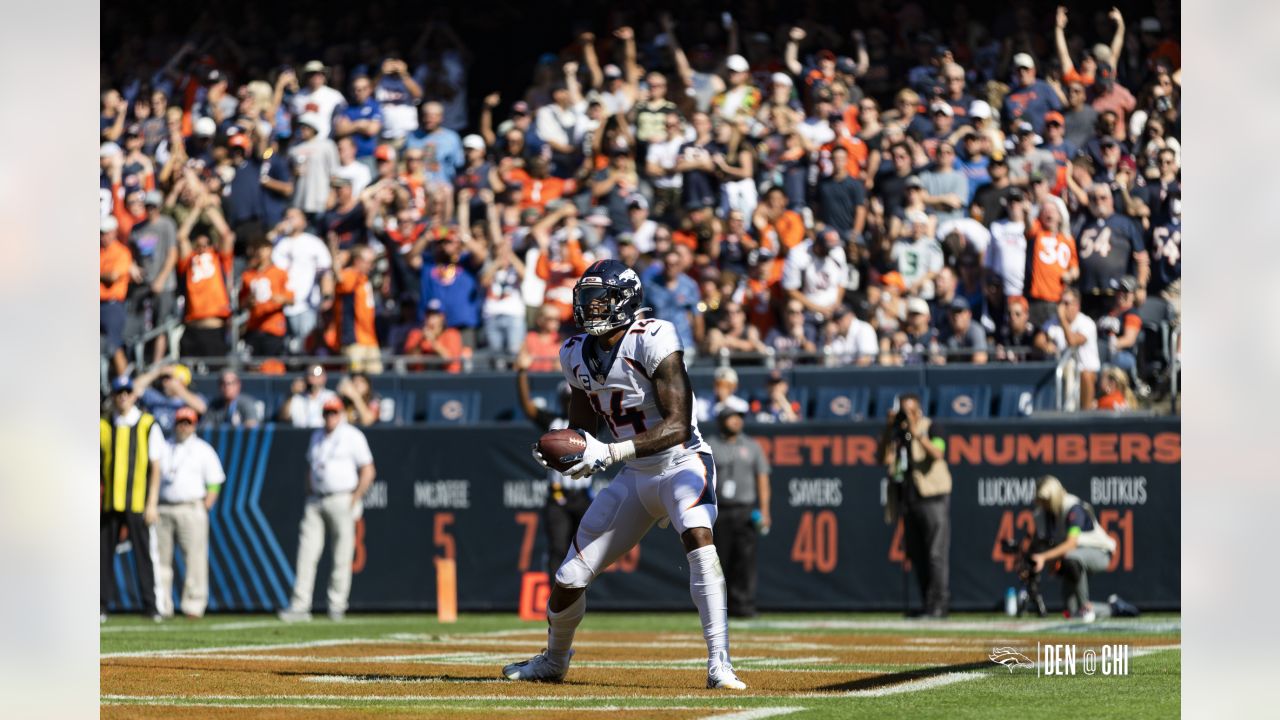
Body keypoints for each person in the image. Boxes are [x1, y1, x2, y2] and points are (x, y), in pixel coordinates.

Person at [506, 259, 746, 690]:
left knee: (698, 539)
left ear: (625, 300)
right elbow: (585, 430)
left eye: (600, 301)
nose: (590, 309)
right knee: (569, 577)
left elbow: (676, 423)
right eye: (586, 300)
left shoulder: (654, 337)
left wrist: (610, 451)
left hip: (682, 463)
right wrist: (572, 453)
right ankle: (555, 661)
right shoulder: (574, 352)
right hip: (635, 475)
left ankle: (719, 662)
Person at [279, 396, 376, 622]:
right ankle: (300, 606)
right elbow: (310, 467)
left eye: (333, 412)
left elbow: (368, 470)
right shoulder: (317, 436)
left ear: (341, 413)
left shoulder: (352, 436)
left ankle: (337, 606)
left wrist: (355, 497)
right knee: (306, 554)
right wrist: (309, 491)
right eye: (326, 412)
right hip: (316, 500)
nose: (329, 416)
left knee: (341, 555)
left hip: (342, 498)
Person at [515, 350, 592, 574]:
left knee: (585, 552)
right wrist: (521, 372)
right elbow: (528, 408)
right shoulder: (553, 422)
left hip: (584, 496)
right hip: (558, 496)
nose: (570, 405)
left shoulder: (592, 423)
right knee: (558, 549)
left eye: (573, 400)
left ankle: (579, 598)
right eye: (567, 400)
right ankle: (556, 602)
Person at [880, 393, 951, 618]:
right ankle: (926, 603)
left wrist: (916, 431)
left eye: (910, 410)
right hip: (908, 499)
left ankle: (939, 604)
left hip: (933, 497)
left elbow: (938, 453)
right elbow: (883, 459)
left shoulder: (931, 427)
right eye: (903, 410)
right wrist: (888, 430)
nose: (906, 415)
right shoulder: (898, 434)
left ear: (918, 410)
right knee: (917, 555)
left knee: (935, 554)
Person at [100, 375, 166, 622]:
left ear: (133, 395)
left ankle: (151, 605)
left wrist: (152, 503)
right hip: (110, 502)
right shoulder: (104, 425)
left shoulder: (148, 424)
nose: (123, 397)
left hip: (138, 501)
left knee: (143, 555)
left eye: (127, 392)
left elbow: (155, 468)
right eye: (119, 393)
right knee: (102, 556)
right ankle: (100, 605)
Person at [1030, 476, 1138, 622]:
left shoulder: (1073, 508)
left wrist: (1044, 557)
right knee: (1071, 612)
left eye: (1046, 500)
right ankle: (1113, 607)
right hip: (1071, 558)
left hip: (1099, 552)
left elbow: (1071, 544)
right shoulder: (1043, 514)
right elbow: (1043, 542)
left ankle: (1085, 606)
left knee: (1072, 559)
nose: (1044, 504)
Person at [155, 406, 224, 618]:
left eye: (188, 423)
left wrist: (205, 506)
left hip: (191, 507)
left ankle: (193, 605)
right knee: (160, 560)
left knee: (194, 560)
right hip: (164, 507)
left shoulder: (203, 449)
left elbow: (215, 481)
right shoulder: (164, 447)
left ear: (194, 425)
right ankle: (162, 604)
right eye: (180, 422)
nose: (183, 427)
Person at [705, 407, 772, 618]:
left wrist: (765, 510)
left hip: (745, 510)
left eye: (739, 418)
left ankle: (744, 606)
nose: (736, 422)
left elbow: (762, 479)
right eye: (732, 418)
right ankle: (717, 608)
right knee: (717, 561)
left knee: (745, 561)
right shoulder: (711, 445)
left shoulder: (752, 446)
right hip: (719, 510)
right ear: (723, 420)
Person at [1036, 287, 1101, 410]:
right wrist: (1046, 346)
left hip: (1085, 373)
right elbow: (1038, 340)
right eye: (1060, 303)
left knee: (1086, 375)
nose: (1062, 307)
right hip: (1063, 370)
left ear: (1077, 305)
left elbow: (1072, 342)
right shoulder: (1054, 322)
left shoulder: (1087, 323)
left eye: (1066, 303)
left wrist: (1062, 320)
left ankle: (1086, 417)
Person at [239, 239, 294, 358]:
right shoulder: (247, 275)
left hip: (274, 328)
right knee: (253, 367)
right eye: (257, 248)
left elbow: (292, 299)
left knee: (272, 365)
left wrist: (281, 299)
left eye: (263, 248)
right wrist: (249, 301)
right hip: (254, 327)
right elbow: (241, 304)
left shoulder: (280, 273)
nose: (259, 252)